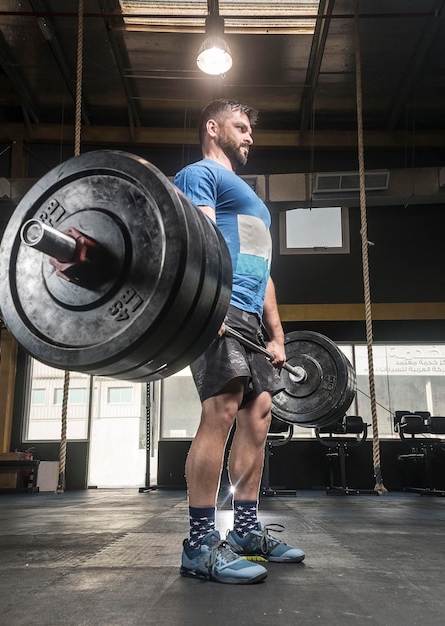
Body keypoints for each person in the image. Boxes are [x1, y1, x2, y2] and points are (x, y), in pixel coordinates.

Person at [173, 99, 305, 584]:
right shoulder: (199, 174)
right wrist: (206, 304)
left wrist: (278, 333)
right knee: (224, 408)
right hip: (219, 306)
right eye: (241, 127)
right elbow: (198, 241)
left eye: (251, 129)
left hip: (251, 312)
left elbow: (262, 269)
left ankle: (245, 531)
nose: (249, 136)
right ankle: (200, 544)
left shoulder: (250, 200)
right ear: (213, 127)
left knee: (259, 413)